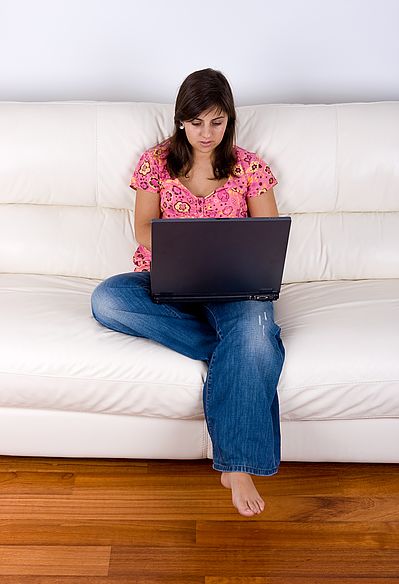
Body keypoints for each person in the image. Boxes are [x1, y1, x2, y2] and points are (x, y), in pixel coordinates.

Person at [91, 68, 285, 517]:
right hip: (169, 282)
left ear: (229, 121)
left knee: (253, 324)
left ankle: (236, 465)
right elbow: (142, 227)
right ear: (181, 120)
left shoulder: (249, 166)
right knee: (108, 298)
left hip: (236, 287)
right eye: (196, 122)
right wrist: (185, 256)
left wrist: (227, 263)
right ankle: (247, 348)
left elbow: (270, 237)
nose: (206, 133)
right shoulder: (155, 161)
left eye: (216, 122)